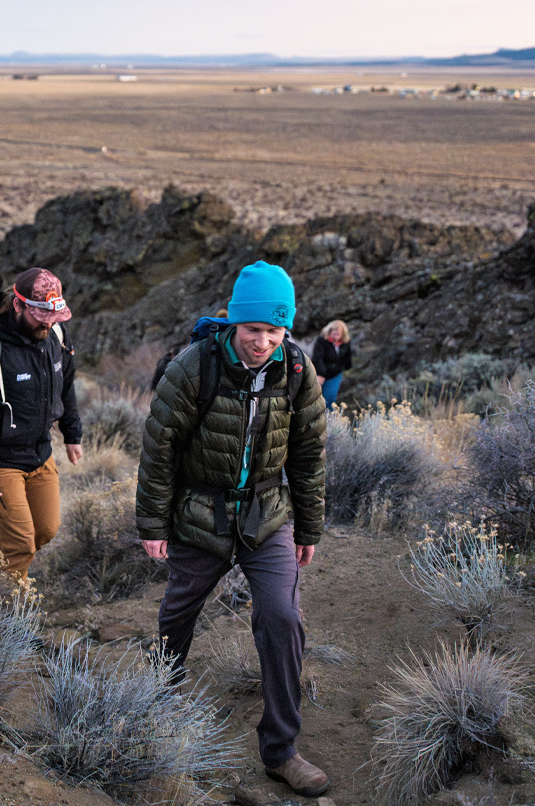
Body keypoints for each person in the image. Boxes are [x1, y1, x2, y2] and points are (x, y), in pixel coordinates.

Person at [136, 260, 332, 797]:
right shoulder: (195, 365)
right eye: (253, 330)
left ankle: (281, 750)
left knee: (282, 617)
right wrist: (152, 521)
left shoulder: (295, 370)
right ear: (233, 324)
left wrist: (308, 528)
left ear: (286, 329)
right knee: (179, 611)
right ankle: (159, 700)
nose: (262, 342)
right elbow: (160, 448)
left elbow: (309, 454)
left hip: (267, 514)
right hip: (199, 512)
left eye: (274, 330)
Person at [0, 268, 84, 579]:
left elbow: (66, 384)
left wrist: (72, 433)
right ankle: (8, 615)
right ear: (18, 305)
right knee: (21, 544)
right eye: (40, 315)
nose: (48, 323)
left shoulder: (57, 336)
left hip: (40, 454)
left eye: (53, 315)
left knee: (46, 531)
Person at [311, 319, 352, 410]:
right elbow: (317, 358)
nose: (335, 334)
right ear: (329, 331)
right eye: (333, 331)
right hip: (319, 372)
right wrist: (321, 374)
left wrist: (346, 367)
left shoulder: (345, 343)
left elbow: (347, 358)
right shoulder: (321, 341)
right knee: (313, 396)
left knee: (329, 397)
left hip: (335, 373)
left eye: (338, 333)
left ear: (342, 334)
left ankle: (328, 418)